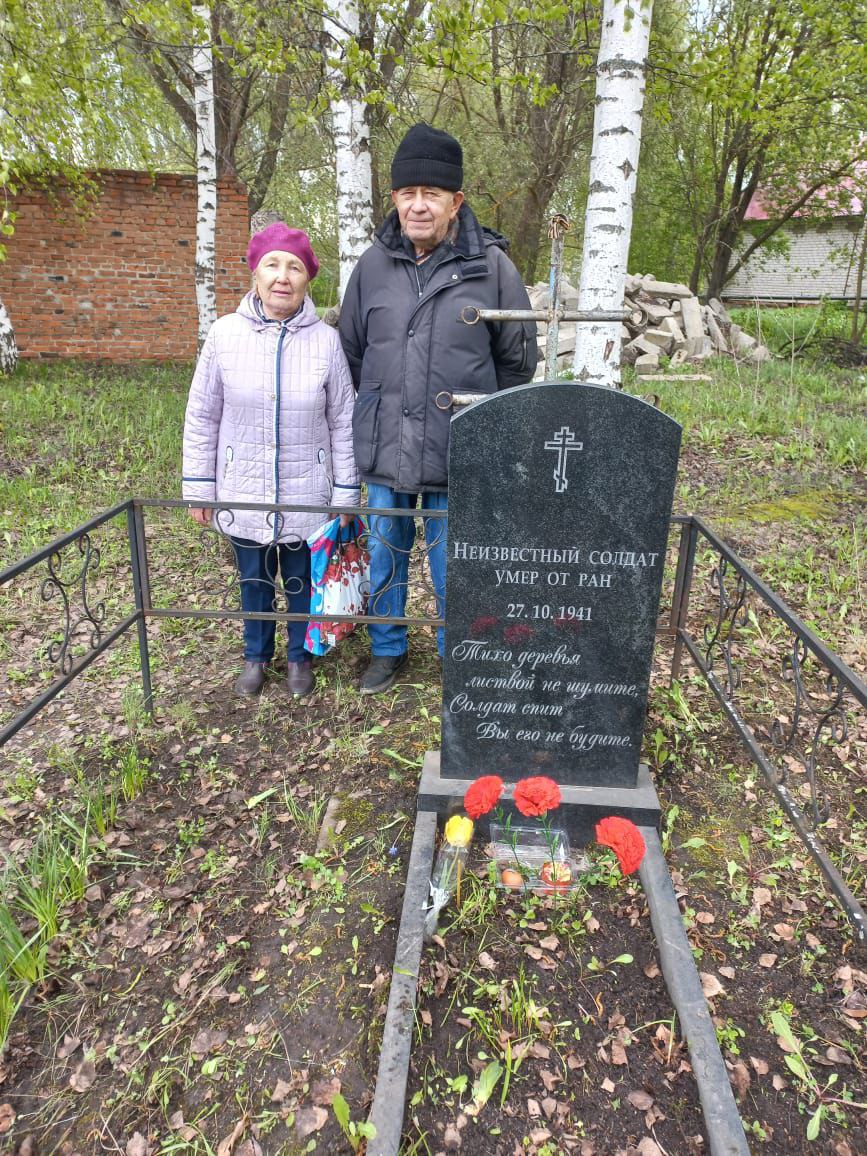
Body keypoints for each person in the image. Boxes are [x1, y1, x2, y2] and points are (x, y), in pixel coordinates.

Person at [339, 123, 538, 694]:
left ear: (457, 200)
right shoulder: (372, 267)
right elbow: (351, 352)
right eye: (408, 193)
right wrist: (380, 404)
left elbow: (517, 362)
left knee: (458, 563)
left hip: (460, 449)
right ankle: (387, 648)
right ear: (395, 198)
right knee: (385, 555)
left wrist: (480, 424)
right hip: (386, 447)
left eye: (432, 194)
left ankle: (462, 654)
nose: (419, 205)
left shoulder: (493, 268)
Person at [183, 223, 359, 698]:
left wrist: (345, 491)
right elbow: (202, 414)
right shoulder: (224, 335)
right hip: (243, 483)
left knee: (302, 578)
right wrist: (200, 487)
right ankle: (256, 657)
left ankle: (300, 658)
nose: (283, 277)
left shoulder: (326, 341)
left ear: (308, 280)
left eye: (295, 267)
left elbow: (343, 419)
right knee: (254, 579)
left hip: (308, 488)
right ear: (255, 274)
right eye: (272, 265)